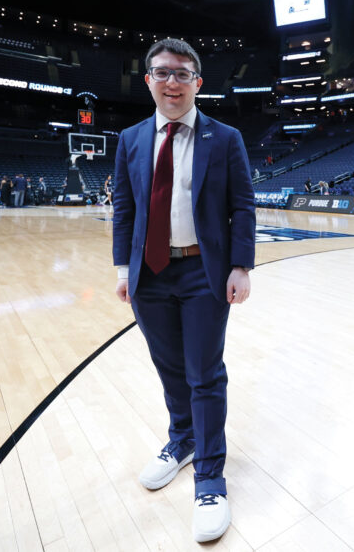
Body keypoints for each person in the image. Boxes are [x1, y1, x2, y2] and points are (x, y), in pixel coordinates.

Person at [112, 38, 255, 543]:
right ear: (148, 80)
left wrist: (240, 265)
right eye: (162, 73)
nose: (172, 82)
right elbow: (125, 210)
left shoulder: (225, 137)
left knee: (204, 374)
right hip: (148, 273)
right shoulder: (130, 139)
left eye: (182, 74)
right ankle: (183, 439)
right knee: (169, 367)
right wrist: (123, 268)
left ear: (198, 82)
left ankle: (210, 477)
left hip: (203, 273)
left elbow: (243, 205)